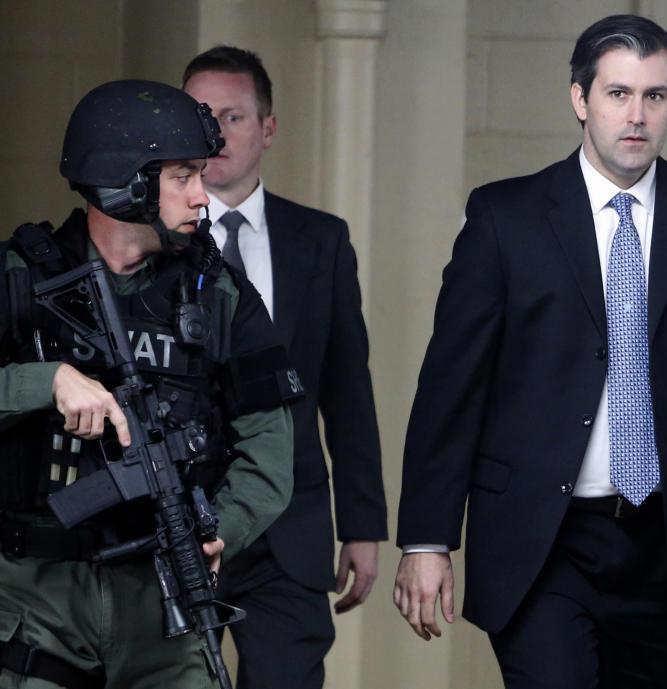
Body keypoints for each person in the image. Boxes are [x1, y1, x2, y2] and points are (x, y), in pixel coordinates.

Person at [392, 14, 667, 689]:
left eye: (654, 95)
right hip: (541, 540)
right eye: (618, 94)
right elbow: (452, 386)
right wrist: (427, 537)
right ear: (580, 99)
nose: (636, 115)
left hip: (662, 543)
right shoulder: (506, 218)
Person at [0, 79, 296, 688]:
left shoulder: (217, 292)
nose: (203, 195)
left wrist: (221, 530)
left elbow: (271, 449)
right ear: (127, 184)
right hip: (42, 603)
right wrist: (49, 381)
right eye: (182, 177)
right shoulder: (13, 274)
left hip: (166, 604)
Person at [181, 46, 387, 689]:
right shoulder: (151, 242)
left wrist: (362, 525)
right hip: (183, 520)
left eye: (233, 117)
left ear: (268, 128)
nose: (214, 133)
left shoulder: (321, 240)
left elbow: (348, 391)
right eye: (199, 116)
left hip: (291, 527)